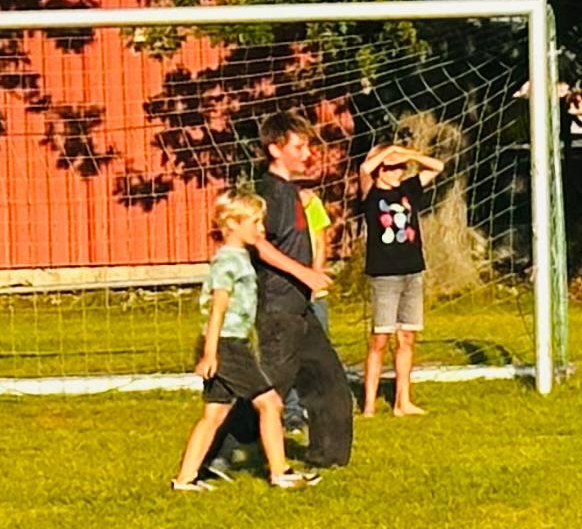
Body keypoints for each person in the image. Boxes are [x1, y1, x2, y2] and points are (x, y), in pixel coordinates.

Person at [172, 195, 309, 492]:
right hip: (226, 344)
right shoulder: (227, 261)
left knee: (214, 414)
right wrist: (210, 353)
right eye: (255, 222)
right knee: (270, 403)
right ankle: (280, 471)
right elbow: (218, 307)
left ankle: (185, 479)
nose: (261, 229)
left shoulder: (240, 257)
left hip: (229, 343)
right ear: (233, 224)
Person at [250, 123, 355, 471]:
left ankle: (328, 456)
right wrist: (304, 273)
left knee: (330, 380)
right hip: (278, 308)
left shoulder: (291, 191)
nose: (307, 155)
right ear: (275, 149)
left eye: (308, 147)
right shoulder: (272, 193)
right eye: (298, 147)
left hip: (300, 307)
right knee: (268, 391)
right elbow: (259, 244)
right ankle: (220, 451)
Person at [357, 138, 440, 417]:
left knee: (407, 337)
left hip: (412, 272)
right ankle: (369, 404)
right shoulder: (371, 195)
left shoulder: (408, 189)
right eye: (391, 167)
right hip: (385, 277)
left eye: (401, 168)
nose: (397, 172)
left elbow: (437, 166)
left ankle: (402, 401)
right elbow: (364, 169)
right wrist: (387, 153)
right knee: (380, 340)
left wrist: (407, 155)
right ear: (380, 169)